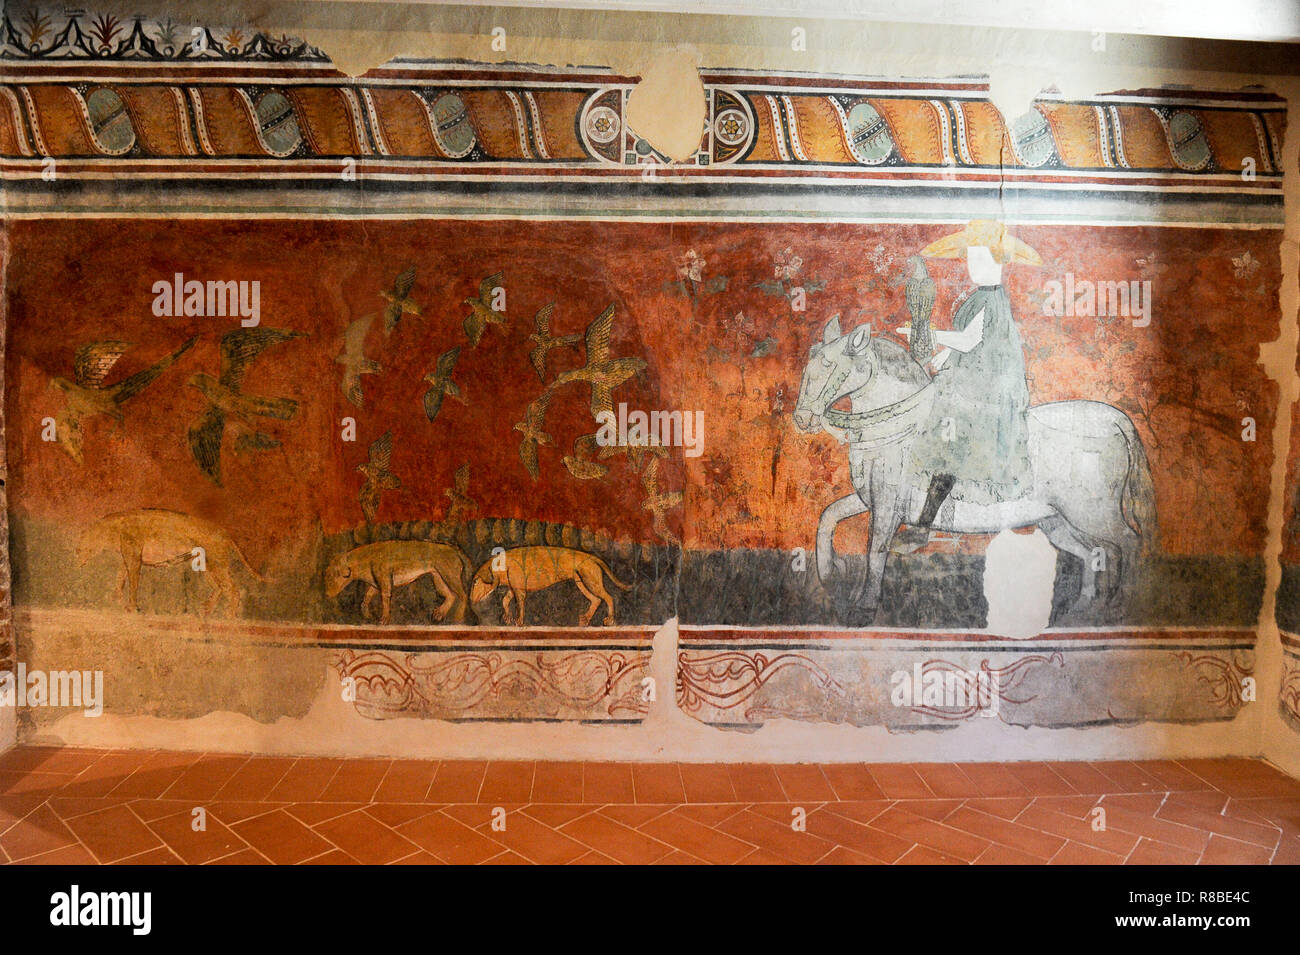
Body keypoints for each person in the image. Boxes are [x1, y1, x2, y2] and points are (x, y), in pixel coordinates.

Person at [892, 220, 1042, 552]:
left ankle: (923, 527)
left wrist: (929, 335)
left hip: (984, 387)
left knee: (949, 443)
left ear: (998, 262)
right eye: (971, 259)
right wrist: (943, 357)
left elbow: (970, 340)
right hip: (969, 375)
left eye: (982, 259)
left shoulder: (991, 300)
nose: (975, 267)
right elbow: (970, 344)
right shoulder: (979, 298)